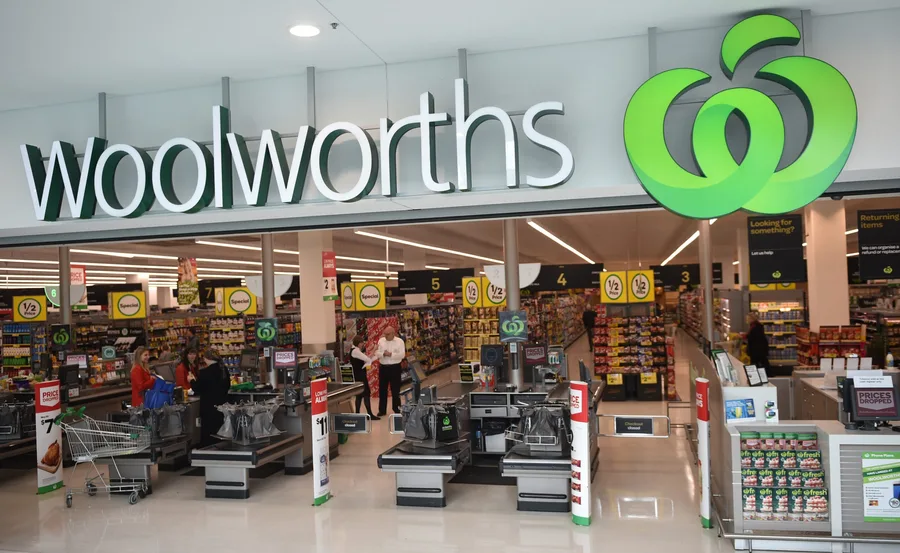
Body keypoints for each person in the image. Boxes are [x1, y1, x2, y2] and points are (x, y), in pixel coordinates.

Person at [188, 351, 231, 447]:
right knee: (219, 430)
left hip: (209, 407)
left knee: (209, 433)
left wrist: (191, 380)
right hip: (222, 405)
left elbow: (198, 388)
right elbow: (228, 386)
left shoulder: (205, 372)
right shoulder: (224, 369)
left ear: (206, 359)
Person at [376, 326, 406, 417]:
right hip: (383, 367)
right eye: (385, 334)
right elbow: (377, 353)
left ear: (393, 333)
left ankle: (396, 408)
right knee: (382, 389)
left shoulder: (399, 342)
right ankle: (382, 410)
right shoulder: (381, 341)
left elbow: (402, 355)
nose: (385, 336)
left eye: (388, 334)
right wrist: (383, 354)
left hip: (395, 367)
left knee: (395, 389)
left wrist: (391, 354)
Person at [349, 335, 379, 420]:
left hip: (358, 374)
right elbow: (367, 359)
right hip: (360, 375)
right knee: (366, 393)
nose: (363, 345)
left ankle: (358, 414)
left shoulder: (355, 351)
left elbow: (366, 359)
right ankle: (369, 414)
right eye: (362, 343)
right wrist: (374, 351)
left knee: (359, 395)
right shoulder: (355, 351)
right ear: (358, 343)